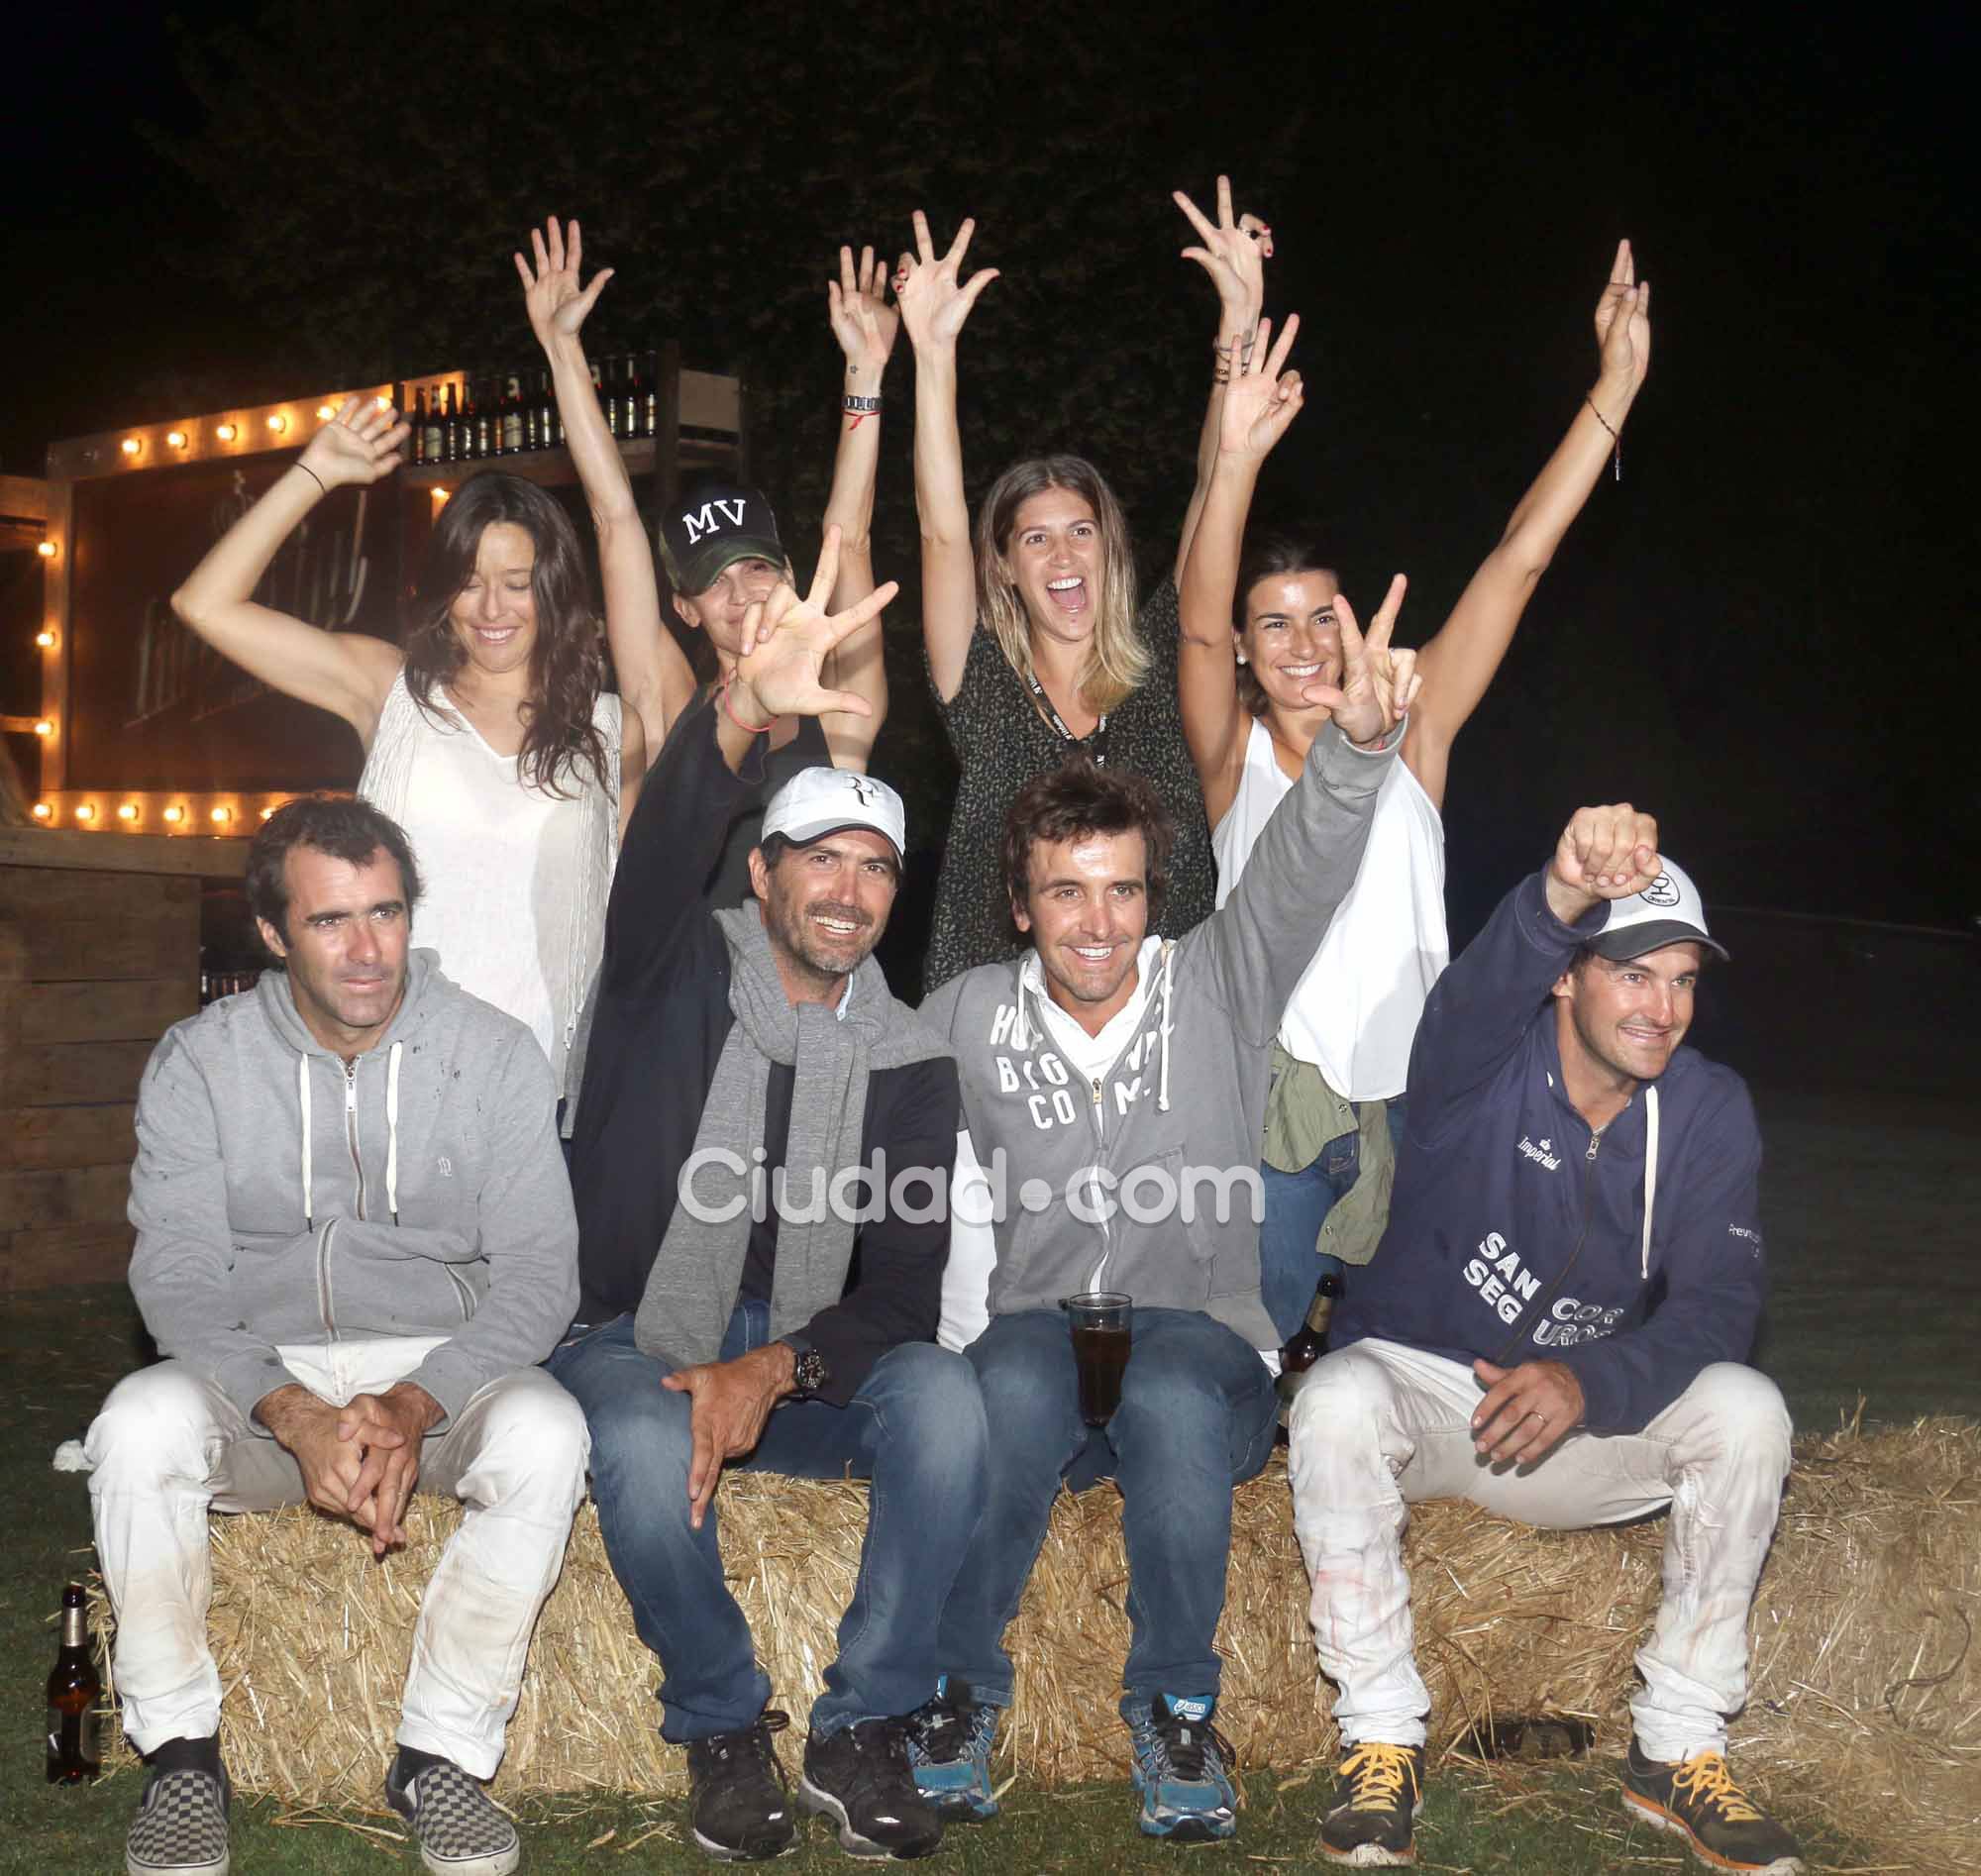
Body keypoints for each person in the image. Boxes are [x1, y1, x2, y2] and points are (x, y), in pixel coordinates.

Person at [907, 582, 1420, 1842]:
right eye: (1068, 893)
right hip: (1039, 1325)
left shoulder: (1217, 986)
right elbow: (919, 1183)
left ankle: (1177, 1709)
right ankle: (959, 1692)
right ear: (1020, 902)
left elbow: (1300, 870)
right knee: (1005, 1388)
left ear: (1152, 897)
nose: (1099, 922)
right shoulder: (964, 1014)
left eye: (1124, 891)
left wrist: (1353, 753)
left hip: (1198, 1328)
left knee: (1175, 1395)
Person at [551, 535, 986, 1864]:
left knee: (948, 1402)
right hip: (631, 1328)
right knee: (630, 1439)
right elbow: (667, 832)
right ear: (762, 873)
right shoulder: (663, 971)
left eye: (874, 868)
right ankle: (725, 1724)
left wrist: (776, 1367)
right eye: (819, 859)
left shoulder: (911, 1057)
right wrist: (741, 706)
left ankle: (863, 1729)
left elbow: (906, 1291)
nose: (846, 889)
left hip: (791, 1361)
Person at [1286, 804, 1803, 1874]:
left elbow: (1718, 1307)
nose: (1660, 1007)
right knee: (1332, 1398)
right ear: (1566, 974)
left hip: (1574, 1425)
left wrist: (1588, 1377)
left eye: (1681, 978)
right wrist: (1557, 893)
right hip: (1426, 1395)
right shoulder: (1473, 1068)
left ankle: (1676, 1747)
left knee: (1747, 1410)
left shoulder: (1707, 1110)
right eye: (1630, 972)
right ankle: (1379, 1740)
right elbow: (1470, 994)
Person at [85, 794, 587, 1876]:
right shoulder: (200, 1063)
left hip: (435, 1374)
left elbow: (542, 1277)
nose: (368, 950)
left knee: (548, 1432)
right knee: (135, 1424)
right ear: (272, 934)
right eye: (330, 921)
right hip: (261, 1379)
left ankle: (441, 1755)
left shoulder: (493, 1055)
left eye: (387, 912)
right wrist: (294, 1412)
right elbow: (173, 1278)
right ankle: (179, 1754)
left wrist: (415, 1403)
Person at [1178, 242, 1654, 1345]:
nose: (1302, 644)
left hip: (1420, 1104)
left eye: (1320, 615)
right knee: (1234, 1361)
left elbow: (1517, 557)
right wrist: (1233, 458)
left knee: (1411, 1367)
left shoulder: (1410, 720)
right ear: (1243, 651)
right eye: (1273, 623)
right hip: (1272, 1113)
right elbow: (1195, 614)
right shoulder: (1223, 752)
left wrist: (1614, 387)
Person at [897, 179, 1275, 990]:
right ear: (1002, 564)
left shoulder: (1165, 662)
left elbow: (1216, 487)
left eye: (1081, 532)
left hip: (1157, 1027)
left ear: (1111, 548)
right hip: (990, 1039)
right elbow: (937, 528)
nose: (1063, 557)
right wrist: (932, 358)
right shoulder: (981, 678)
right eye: (1035, 539)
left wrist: (1238, 322)